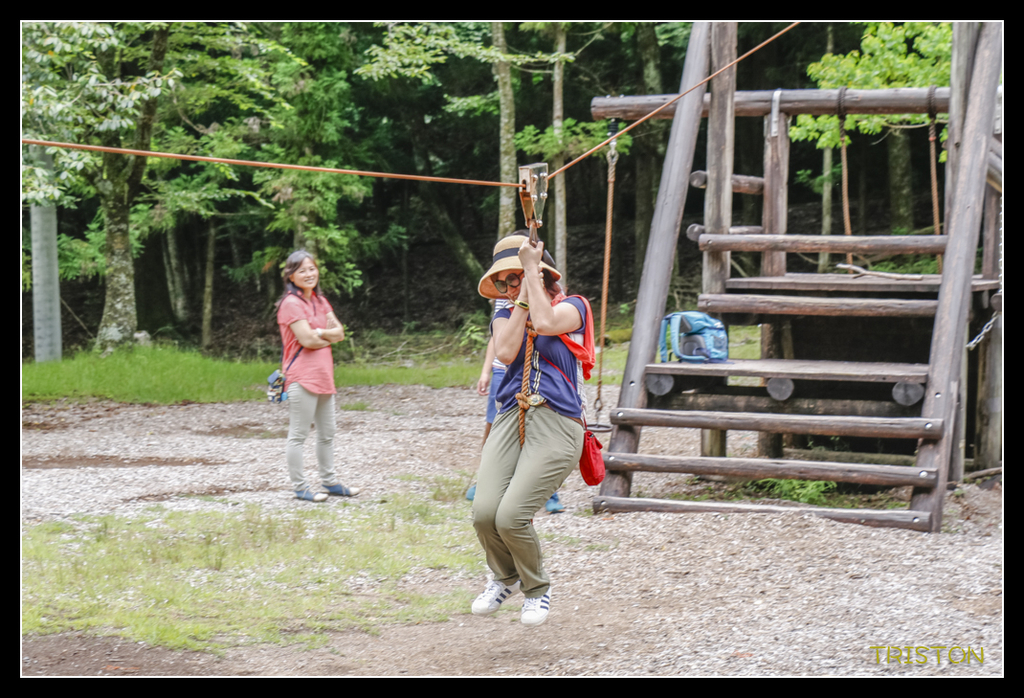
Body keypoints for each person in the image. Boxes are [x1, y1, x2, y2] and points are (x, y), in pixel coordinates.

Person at [470, 232, 595, 627]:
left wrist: (530, 275)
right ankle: (504, 578)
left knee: (511, 517)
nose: (511, 287)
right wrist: (521, 295)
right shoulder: (505, 314)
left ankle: (536, 590)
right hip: (511, 417)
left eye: (517, 276)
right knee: (484, 513)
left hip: (558, 420)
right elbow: (506, 353)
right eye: (505, 281)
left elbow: (546, 322)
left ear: (543, 274)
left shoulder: (575, 306)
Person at [276, 250, 361, 502]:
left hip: (324, 376)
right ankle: (301, 488)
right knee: (299, 435)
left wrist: (320, 331)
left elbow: (340, 332)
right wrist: (325, 334)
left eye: (311, 268)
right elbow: (307, 340)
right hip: (301, 377)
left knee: (327, 433)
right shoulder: (290, 304)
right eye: (302, 270)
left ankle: (330, 481)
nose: (308, 274)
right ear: (291, 276)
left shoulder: (321, 301)